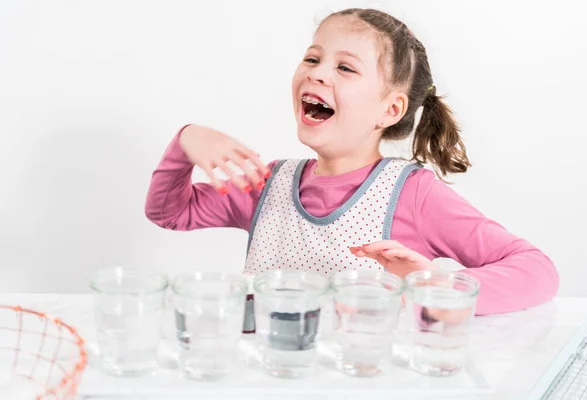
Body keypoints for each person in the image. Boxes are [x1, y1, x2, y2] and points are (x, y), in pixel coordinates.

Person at [144, 8, 559, 316]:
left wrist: (437, 288)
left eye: (345, 67)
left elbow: (537, 271)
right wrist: (186, 141)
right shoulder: (266, 183)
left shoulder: (412, 194)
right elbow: (171, 212)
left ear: (389, 110)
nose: (318, 74)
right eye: (312, 59)